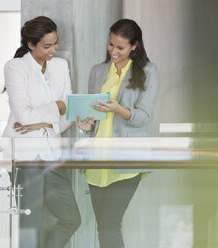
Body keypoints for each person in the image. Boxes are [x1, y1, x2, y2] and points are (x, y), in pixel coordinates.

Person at [77, 19, 160, 248]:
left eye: (120, 47)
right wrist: (86, 127)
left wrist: (119, 109)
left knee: (109, 225)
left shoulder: (148, 72)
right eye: (111, 45)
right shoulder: (97, 72)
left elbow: (144, 117)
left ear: (135, 46)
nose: (114, 51)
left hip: (126, 161)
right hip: (97, 161)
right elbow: (93, 115)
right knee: (103, 225)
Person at [2, 16, 80, 248]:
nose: (53, 50)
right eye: (47, 46)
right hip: (24, 157)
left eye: (55, 43)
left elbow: (70, 113)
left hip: (51, 154)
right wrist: (57, 106)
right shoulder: (16, 67)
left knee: (71, 219)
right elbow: (25, 115)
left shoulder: (60, 66)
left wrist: (46, 123)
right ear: (31, 45)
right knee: (31, 225)